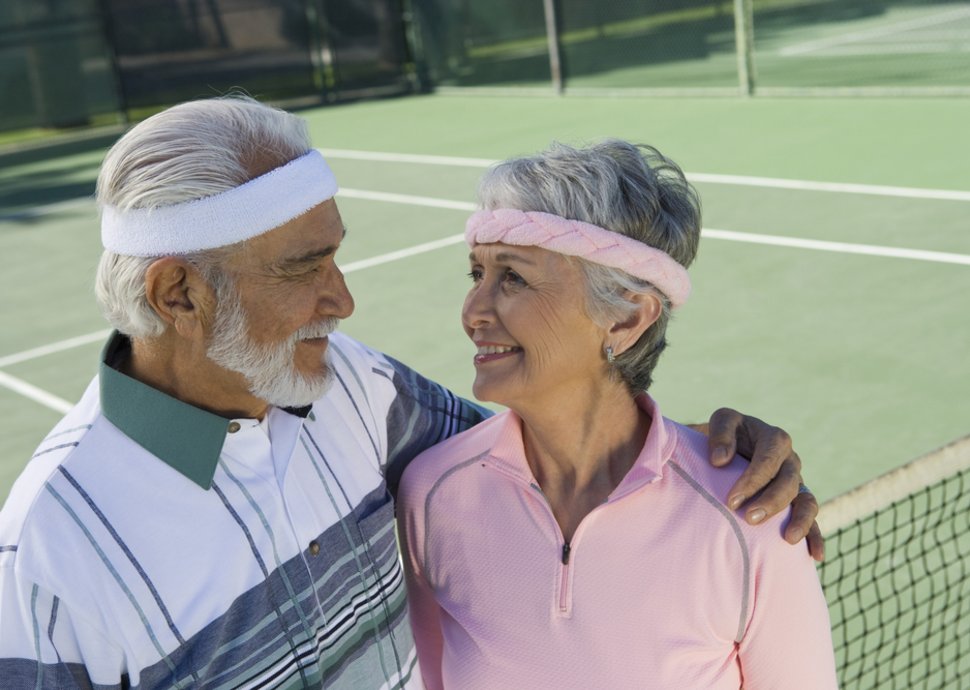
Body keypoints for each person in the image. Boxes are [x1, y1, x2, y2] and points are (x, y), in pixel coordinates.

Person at [0, 97, 818, 688]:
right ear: (179, 294)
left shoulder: (361, 390)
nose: (343, 299)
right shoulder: (48, 547)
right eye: (301, 267)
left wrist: (717, 445)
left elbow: (561, 441)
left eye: (335, 255)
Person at [397, 140, 838, 689]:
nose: (473, 311)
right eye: (476, 275)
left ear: (627, 319)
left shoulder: (749, 517)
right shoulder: (431, 494)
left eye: (512, 277)